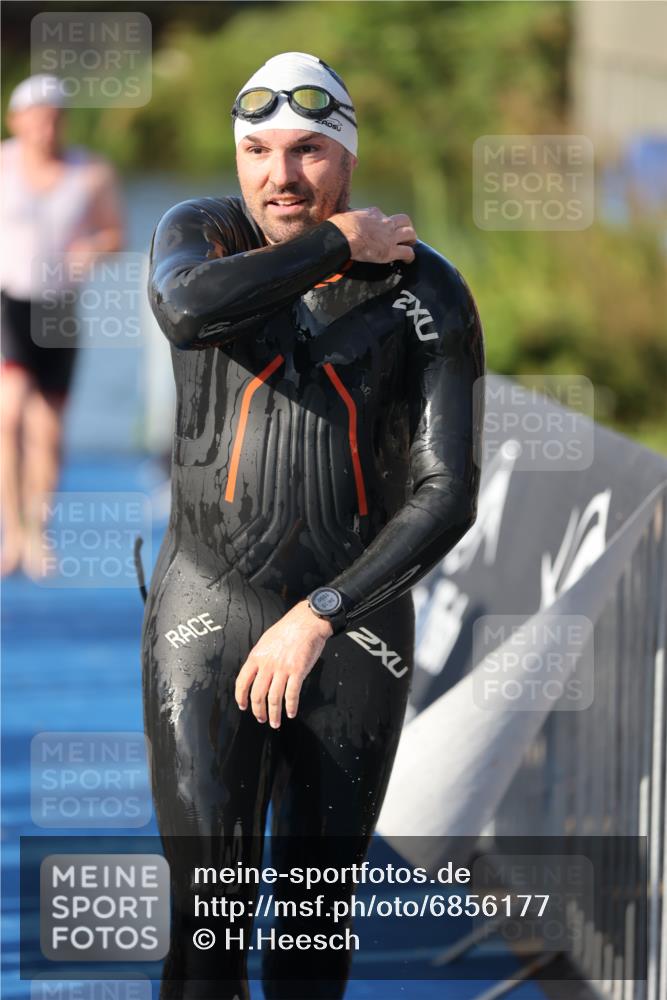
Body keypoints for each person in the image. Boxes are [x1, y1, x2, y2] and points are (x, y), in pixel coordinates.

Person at [143, 51, 484, 1000]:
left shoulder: (431, 293)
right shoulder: (203, 235)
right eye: (256, 150)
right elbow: (183, 310)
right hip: (205, 611)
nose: (278, 176)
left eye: (305, 151)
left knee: (308, 942)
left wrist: (323, 611)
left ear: (347, 155)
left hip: (352, 625)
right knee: (206, 935)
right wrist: (338, 245)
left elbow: (447, 492)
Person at [0, 74, 124, 577]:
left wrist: (92, 249)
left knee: (48, 429)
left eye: (54, 118)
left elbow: (116, 233)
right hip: (9, 298)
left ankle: (39, 533)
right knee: (9, 414)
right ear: (17, 120)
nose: (45, 127)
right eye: (36, 117)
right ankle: (14, 529)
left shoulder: (89, 172)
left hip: (58, 309)